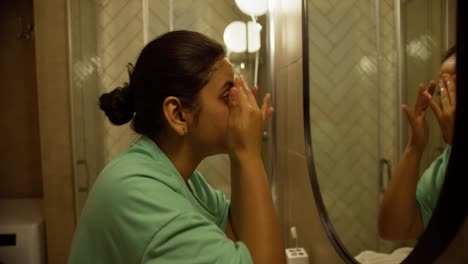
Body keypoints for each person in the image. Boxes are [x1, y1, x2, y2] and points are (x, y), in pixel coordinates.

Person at [68, 30, 285, 264]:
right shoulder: (138, 193)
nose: (240, 105)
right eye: (227, 95)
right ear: (178, 114)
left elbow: (236, 237)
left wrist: (240, 153)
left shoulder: (185, 181)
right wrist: (248, 153)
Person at [378, 46, 457, 241]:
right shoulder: (444, 165)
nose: (449, 102)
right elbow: (392, 230)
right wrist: (415, 146)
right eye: (443, 92)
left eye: (454, 88)